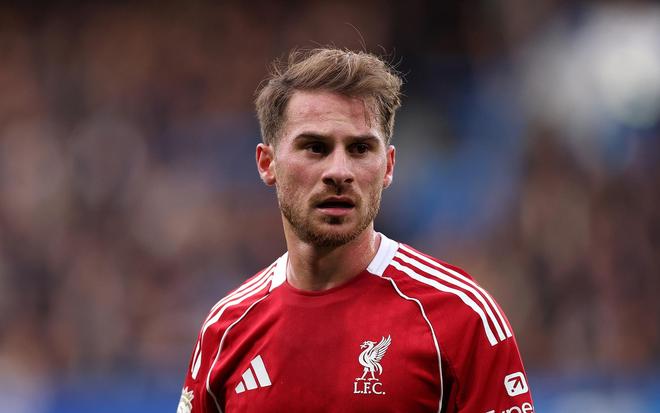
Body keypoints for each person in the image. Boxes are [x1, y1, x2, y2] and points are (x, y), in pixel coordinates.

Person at [177, 48, 534, 413]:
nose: (339, 171)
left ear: (388, 166)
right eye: (315, 148)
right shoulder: (226, 330)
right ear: (268, 164)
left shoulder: (460, 316)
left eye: (360, 148)